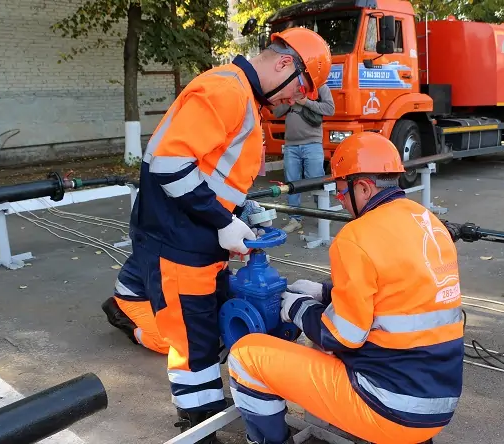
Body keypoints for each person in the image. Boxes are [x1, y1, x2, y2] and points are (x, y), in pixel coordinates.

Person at [101, 27, 332, 444]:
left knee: (201, 332)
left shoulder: (240, 95)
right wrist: (222, 222)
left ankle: (204, 411)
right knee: (192, 341)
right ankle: (199, 423)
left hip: (191, 234)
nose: (296, 99)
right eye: (301, 87)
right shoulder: (227, 91)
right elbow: (170, 164)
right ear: (284, 63)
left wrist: (242, 212)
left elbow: (210, 172)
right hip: (177, 238)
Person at [225, 132, 465, 444]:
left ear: (363, 187)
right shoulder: (427, 221)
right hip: (438, 404)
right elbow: (393, 292)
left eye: (341, 193)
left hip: (389, 407)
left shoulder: (357, 236)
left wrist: (294, 307)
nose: (341, 201)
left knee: (246, 356)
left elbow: (340, 337)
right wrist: (323, 292)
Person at [271, 83, 335, 233]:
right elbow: (276, 113)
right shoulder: (289, 87)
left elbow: (330, 109)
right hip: (291, 145)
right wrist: (289, 101)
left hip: (312, 143)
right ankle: (295, 219)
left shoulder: (320, 87)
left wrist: (305, 101)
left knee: (316, 181)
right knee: (292, 183)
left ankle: (324, 215)